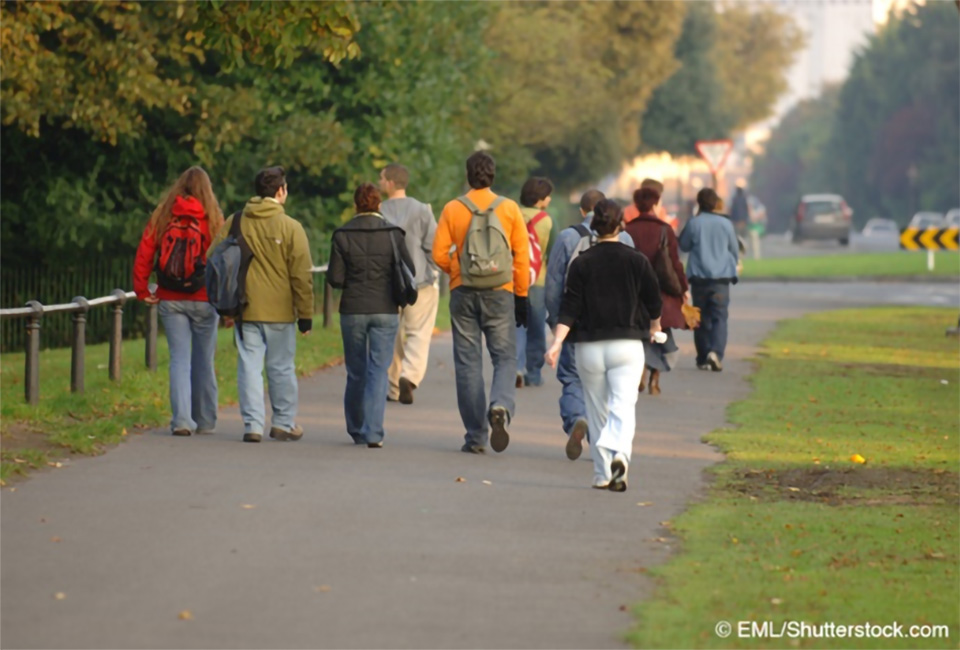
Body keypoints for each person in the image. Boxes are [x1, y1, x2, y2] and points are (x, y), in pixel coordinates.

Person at [545, 199, 662, 492]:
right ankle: (621, 456)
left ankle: (601, 473)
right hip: (627, 345)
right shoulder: (637, 260)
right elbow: (653, 301)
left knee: (596, 409)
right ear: (621, 225)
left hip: (590, 346)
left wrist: (557, 342)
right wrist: (655, 327)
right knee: (623, 406)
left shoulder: (582, 262)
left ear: (594, 225)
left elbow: (569, 307)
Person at [432, 151, 530, 455]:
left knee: (468, 362)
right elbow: (521, 256)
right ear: (493, 175)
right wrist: (521, 295)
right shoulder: (510, 209)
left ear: (468, 175)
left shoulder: (453, 208)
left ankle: (476, 437)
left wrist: (457, 271)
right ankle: (500, 405)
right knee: (504, 357)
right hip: (500, 290)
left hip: (464, 292)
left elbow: (437, 254)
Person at [209, 166, 314, 443]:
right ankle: (283, 422)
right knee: (281, 367)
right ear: (280, 192)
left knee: (249, 367)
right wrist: (306, 315)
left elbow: (213, 257)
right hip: (280, 311)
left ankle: (252, 425)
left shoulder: (235, 221)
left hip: (246, 308)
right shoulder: (291, 227)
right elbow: (301, 276)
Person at [134, 166, 224, 437]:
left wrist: (141, 289)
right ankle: (206, 420)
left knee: (179, 359)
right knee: (204, 360)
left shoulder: (163, 214)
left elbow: (145, 252)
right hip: (205, 298)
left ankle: (182, 420)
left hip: (170, 298)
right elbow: (221, 259)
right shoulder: (212, 218)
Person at [544, 189, 633, 461]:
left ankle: (576, 419)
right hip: (615, 325)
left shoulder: (568, 237)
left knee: (572, 377)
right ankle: (603, 440)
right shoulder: (625, 238)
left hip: (576, 321)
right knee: (606, 384)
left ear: (583, 211)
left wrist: (556, 320)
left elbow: (554, 284)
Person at [328, 183, 414, 447]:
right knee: (379, 370)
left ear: (356, 205)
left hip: (352, 310)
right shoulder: (393, 234)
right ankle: (374, 432)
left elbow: (335, 279)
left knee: (356, 371)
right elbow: (408, 270)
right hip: (385, 310)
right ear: (379, 204)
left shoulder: (342, 235)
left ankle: (356, 427)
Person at [378, 163, 439, 406]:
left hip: (386, 283)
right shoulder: (422, 210)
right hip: (419, 281)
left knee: (391, 335)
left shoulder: (378, 210)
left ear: (391, 183)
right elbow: (432, 247)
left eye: (382, 178)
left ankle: (393, 387)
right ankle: (410, 375)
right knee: (418, 333)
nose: (380, 182)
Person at [624, 186, 689, 396]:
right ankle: (655, 379)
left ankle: (639, 373)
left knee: (638, 335)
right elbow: (675, 263)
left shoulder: (627, 230)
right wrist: (683, 288)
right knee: (660, 334)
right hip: (660, 290)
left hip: (633, 291)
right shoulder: (665, 230)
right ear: (655, 204)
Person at [678, 188, 739, 372]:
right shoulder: (726, 224)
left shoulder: (694, 223)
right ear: (715, 203)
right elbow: (734, 249)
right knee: (720, 317)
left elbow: (684, 245)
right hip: (721, 278)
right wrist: (732, 264)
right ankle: (716, 352)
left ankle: (703, 356)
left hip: (699, 278)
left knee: (701, 317)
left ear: (699, 202)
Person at [515, 177, 554, 389]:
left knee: (516, 325)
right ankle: (534, 373)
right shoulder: (546, 220)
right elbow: (552, 252)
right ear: (540, 199)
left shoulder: (510, 214)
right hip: (538, 280)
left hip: (513, 279)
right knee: (537, 328)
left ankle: (516, 367)